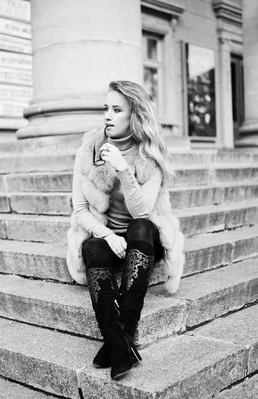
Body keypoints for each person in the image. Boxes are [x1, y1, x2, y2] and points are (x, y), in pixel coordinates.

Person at [66, 80, 185, 380]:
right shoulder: (88, 149)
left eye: (116, 109)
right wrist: (106, 235)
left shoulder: (150, 154)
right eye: (106, 108)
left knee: (142, 227)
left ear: (134, 114)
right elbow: (80, 210)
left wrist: (122, 169)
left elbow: (142, 210)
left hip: (142, 239)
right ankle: (120, 347)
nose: (108, 115)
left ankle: (123, 333)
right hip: (107, 236)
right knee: (91, 248)